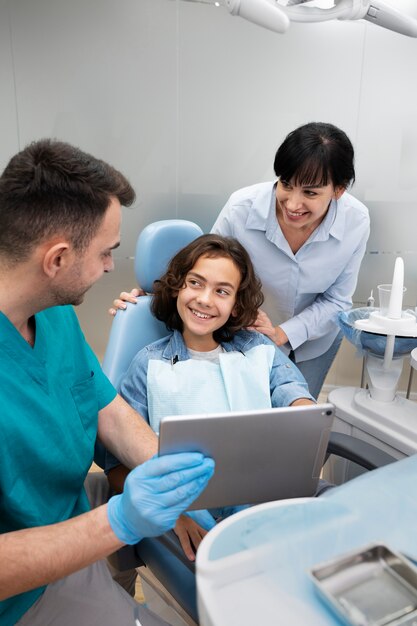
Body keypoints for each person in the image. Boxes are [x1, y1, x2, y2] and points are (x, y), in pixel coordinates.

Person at [0, 139, 215, 626]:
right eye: (105, 253)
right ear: (56, 259)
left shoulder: (51, 314)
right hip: (20, 595)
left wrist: (168, 467)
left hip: (71, 515)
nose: (109, 268)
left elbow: (105, 408)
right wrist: (118, 522)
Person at [111, 122, 370, 399]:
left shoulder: (356, 221)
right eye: (286, 184)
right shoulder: (241, 209)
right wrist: (153, 293)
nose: (293, 204)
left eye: (310, 193)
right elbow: (205, 268)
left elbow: (337, 301)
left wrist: (282, 333)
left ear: (338, 191)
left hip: (314, 340)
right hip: (243, 336)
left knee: (294, 404)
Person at [105, 234, 315, 524]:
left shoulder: (259, 348)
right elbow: (116, 467)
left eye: (222, 291)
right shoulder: (149, 364)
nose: (204, 300)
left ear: (237, 305)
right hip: (191, 509)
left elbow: (292, 393)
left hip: (264, 498)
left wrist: (306, 421)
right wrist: (176, 513)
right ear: (177, 286)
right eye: (195, 283)